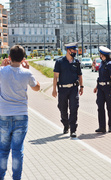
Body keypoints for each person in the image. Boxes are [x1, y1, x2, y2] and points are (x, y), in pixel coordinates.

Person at [0, 45, 40, 180]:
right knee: (17, 150)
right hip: (21, 116)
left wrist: (2, 65)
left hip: (4, 115)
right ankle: (16, 178)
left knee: (3, 150)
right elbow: (36, 88)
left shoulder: (1, 71)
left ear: (9, 57)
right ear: (23, 58)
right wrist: (28, 70)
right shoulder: (27, 73)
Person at [52, 42, 84, 138]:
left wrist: (81, 87)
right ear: (68, 50)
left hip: (74, 88)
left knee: (74, 108)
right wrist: (54, 89)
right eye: (73, 50)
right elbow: (55, 77)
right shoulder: (59, 62)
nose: (75, 52)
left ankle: (73, 130)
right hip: (62, 89)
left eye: (76, 50)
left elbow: (80, 76)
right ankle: (66, 124)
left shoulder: (76, 62)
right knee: (62, 109)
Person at [94, 46, 111, 133]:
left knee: (109, 108)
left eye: (100, 54)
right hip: (100, 88)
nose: (99, 55)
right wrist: (96, 87)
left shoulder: (109, 64)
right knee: (100, 107)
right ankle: (102, 127)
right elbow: (100, 77)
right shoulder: (102, 63)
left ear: (103, 55)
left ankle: (110, 126)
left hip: (108, 88)